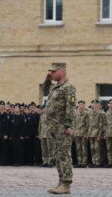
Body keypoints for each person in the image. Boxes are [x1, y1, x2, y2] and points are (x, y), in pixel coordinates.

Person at [45, 63, 76, 195]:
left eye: (53, 71)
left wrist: (69, 125)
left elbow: (70, 107)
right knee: (57, 156)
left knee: (64, 155)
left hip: (63, 127)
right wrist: (47, 78)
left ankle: (67, 184)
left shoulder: (68, 88)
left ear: (61, 71)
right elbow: (45, 88)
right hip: (53, 127)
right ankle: (61, 181)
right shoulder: (54, 87)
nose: (50, 73)